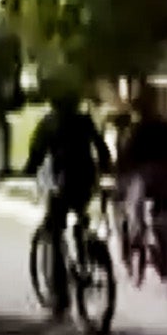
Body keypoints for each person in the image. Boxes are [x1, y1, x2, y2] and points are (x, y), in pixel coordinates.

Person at [24, 91, 112, 320]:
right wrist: (106, 168)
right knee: (81, 217)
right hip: (86, 180)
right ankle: (85, 253)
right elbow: (101, 148)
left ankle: (60, 297)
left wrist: (28, 169)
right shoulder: (84, 121)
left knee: (54, 231)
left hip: (63, 182)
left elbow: (36, 152)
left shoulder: (49, 122)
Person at [115, 94, 167, 290]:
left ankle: (139, 236)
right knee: (164, 214)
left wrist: (120, 176)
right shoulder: (164, 126)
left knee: (134, 207)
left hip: (146, 176)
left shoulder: (137, 130)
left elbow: (128, 157)